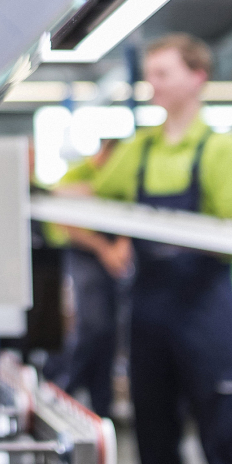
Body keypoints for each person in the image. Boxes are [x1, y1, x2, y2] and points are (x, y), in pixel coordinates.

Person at [57, 35, 232, 464]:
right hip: (149, 315)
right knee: (154, 445)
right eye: (149, 75)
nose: (155, 85)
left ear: (198, 77)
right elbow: (96, 195)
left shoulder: (225, 150)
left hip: (207, 313)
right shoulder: (140, 149)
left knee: (224, 444)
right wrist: (54, 199)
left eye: (165, 73)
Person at [44, 140, 133, 419]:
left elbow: (133, 211)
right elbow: (65, 220)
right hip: (84, 253)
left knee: (111, 332)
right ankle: (62, 392)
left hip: (115, 259)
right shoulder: (77, 174)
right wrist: (104, 249)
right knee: (91, 328)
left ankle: (102, 406)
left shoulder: (122, 177)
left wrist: (121, 245)